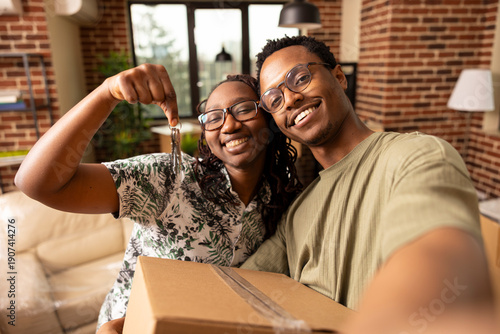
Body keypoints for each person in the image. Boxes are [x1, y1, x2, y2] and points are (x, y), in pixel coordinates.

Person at [237, 35, 495, 333]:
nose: (291, 99)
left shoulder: (415, 157)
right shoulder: (298, 213)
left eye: (301, 78)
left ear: (339, 77)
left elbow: (437, 263)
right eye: (275, 99)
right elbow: (239, 286)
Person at [14, 64, 302, 330]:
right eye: (213, 118)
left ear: (269, 120)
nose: (228, 126)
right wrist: (107, 93)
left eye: (243, 109)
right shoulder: (169, 176)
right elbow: (38, 183)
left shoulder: (280, 198)